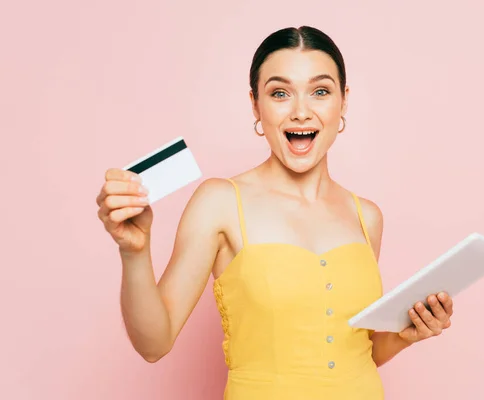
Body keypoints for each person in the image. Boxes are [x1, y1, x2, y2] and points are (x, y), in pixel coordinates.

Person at [96, 26, 454, 399]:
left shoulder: (367, 216)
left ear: (343, 102)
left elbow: (353, 352)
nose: (301, 112)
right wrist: (134, 252)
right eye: (280, 93)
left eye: (320, 91)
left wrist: (405, 333)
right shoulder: (220, 202)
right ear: (256, 105)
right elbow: (154, 344)